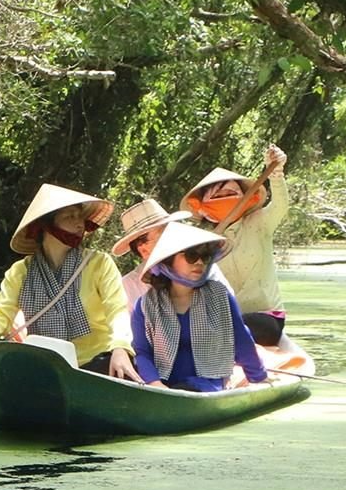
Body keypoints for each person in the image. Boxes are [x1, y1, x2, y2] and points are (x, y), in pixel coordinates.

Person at [0, 183, 138, 379]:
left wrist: (120, 347)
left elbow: (117, 310)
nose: (79, 224)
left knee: (114, 362)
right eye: (70, 216)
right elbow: (1, 314)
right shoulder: (21, 271)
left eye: (80, 216)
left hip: (92, 363)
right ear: (46, 226)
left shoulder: (99, 263)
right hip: (44, 363)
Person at [131, 221, 269, 392]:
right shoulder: (145, 305)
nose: (199, 262)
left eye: (205, 257)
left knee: (193, 387)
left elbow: (241, 340)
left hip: (208, 384)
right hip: (163, 386)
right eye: (191, 256)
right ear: (169, 260)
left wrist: (260, 378)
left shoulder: (220, 296)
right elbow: (142, 352)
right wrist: (155, 385)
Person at [183, 143, 290, 344]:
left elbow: (280, 206)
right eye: (218, 196)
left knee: (233, 328)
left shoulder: (260, 222)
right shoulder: (200, 241)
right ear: (204, 206)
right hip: (220, 321)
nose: (225, 199)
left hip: (264, 319)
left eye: (231, 194)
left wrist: (276, 172)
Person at [111, 198, 189, 309]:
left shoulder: (197, 261)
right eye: (164, 233)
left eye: (172, 229)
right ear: (143, 250)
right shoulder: (128, 287)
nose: (174, 235)